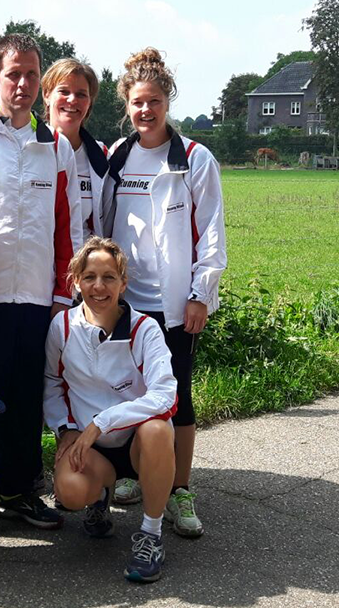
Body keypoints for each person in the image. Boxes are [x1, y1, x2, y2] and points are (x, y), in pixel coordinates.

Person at [0, 33, 81, 542]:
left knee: (28, 399)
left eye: (31, 75)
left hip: (37, 300)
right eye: (13, 74)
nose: (22, 84)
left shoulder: (57, 148)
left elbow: (67, 226)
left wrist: (62, 297)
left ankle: (18, 490)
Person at [91, 48, 226, 539]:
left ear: (167, 101)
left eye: (154, 101)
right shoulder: (116, 157)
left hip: (171, 307)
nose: (145, 110)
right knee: (126, 393)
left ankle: (180, 490)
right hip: (123, 305)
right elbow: (102, 227)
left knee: (176, 399)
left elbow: (211, 233)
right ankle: (133, 473)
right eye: (137, 102)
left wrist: (200, 295)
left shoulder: (193, 158)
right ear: (126, 105)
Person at [45, 237, 178, 582]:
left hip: (137, 444)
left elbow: (165, 395)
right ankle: (98, 502)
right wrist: (65, 429)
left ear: (123, 284)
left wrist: (101, 423)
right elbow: (51, 384)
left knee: (158, 428)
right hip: (92, 449)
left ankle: (150, 534)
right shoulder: (61, 327)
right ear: (75, 281)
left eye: (109, 277)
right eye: (89, 277)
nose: (99, 286)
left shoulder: (144, 328)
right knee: (70, 491)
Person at [41, 57, 108, 235]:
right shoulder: (28, 148)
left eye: (81, 94)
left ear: (90, 102)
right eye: (64, 91)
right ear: (46, 95)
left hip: (83, 258)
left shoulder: (101, 156)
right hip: (38, 258)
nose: (72, 100)